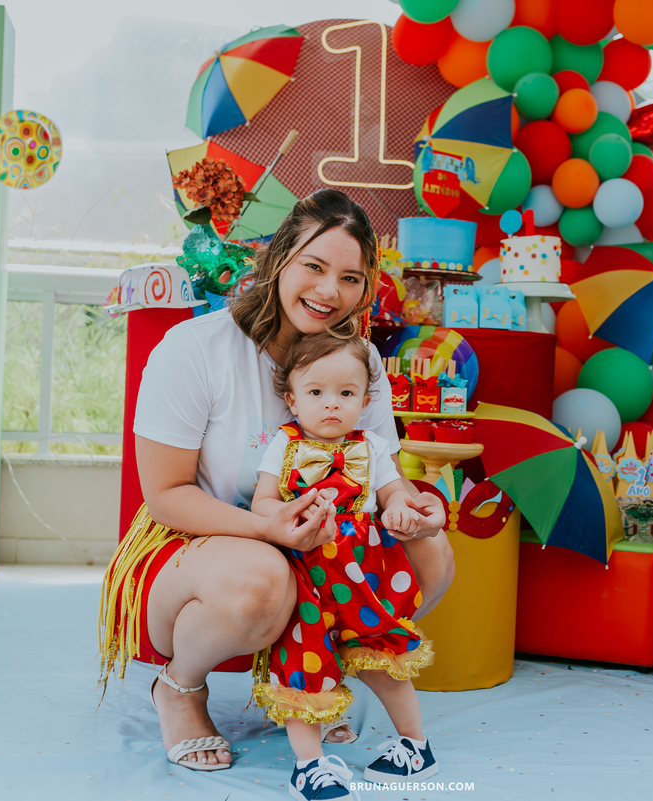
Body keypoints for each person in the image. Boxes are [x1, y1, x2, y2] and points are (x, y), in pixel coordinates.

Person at [97, 189, 453, 772]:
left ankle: (316, 682)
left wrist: (416, 507)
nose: (328, 291)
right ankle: (180, 687)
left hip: (324, 542)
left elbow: (379, 466)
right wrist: (268, 528)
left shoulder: (358, 360)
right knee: (261, 576)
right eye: (313, 266)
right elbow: (166, 496)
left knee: (431, 552)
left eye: (349, 277)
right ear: (279, 257)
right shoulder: (196, 349)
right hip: (196, 540)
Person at [251, 333, 438, 798]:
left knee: (384, 655)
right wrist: (287, 518)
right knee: (303, 660)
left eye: (346, 394)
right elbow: (262, 503)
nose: (331, 404)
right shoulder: (284, 443)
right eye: (316, 393)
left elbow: (394, 491)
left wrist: (399, 508)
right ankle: (311, 764)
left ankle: (417, 747)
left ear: (366, 400)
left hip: (364, 574)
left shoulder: (372, 446)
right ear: (292, 398)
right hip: (305, 569)